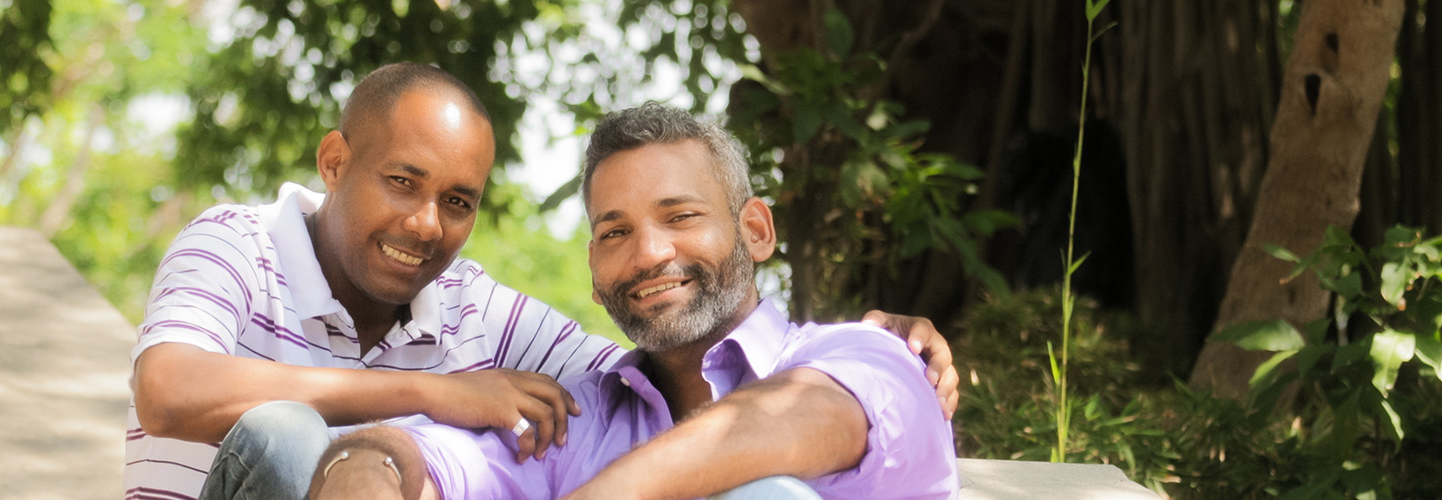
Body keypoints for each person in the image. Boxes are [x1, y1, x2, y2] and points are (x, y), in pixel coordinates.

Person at [126, 64, 960, 500]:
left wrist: (882, 350)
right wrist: (425, 415)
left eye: (456, 201)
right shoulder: (237, 242)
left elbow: (765, 402)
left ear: (756, 231)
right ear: (336, 163)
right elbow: (170, 390)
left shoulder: (861, 362)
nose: (649, 256)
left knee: (768, 496)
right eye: (614, 233)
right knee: (288, 438)